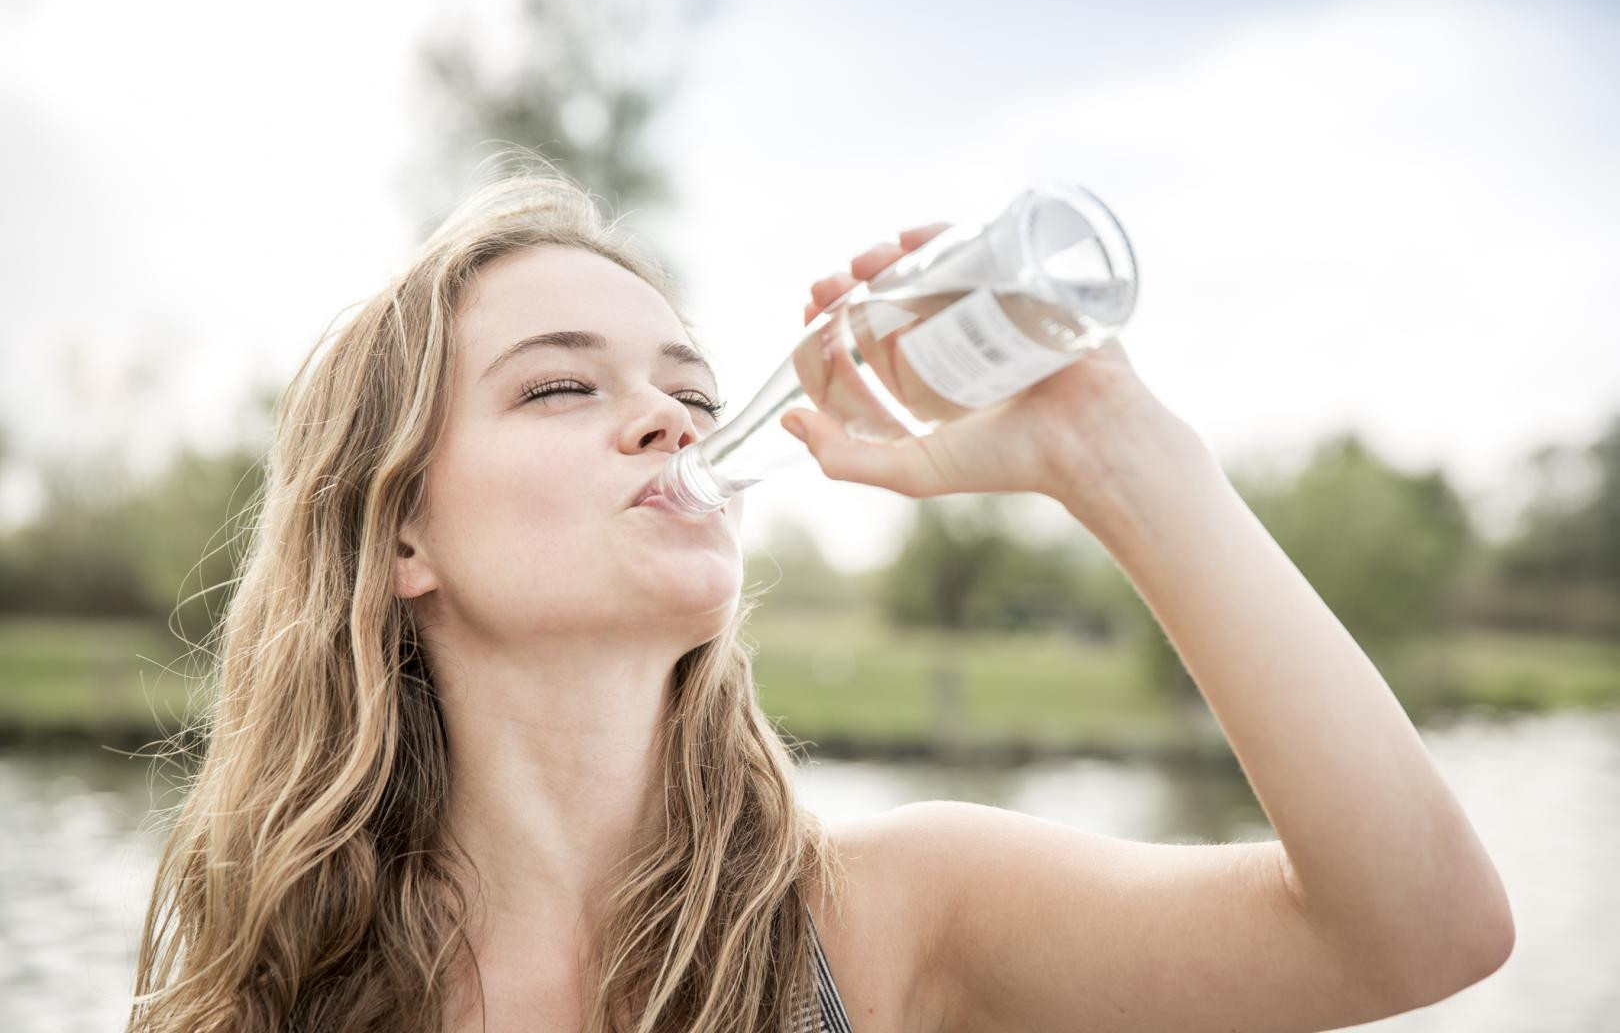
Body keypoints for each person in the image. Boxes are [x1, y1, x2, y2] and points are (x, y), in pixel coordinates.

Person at [127, 155, 1513, 1033]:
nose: (669, 420)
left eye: (692, 391)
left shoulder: (887, 921)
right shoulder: (267, 994)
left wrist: (1112, 450)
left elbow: (1419, 932)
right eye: (561, 385)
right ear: (400, 537)